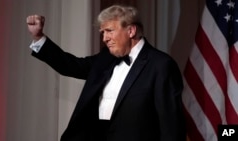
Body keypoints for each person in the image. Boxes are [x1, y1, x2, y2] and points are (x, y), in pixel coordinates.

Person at [26, 4, 186, 141]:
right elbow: (72, 65)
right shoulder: (105, 58)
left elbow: (171, 123)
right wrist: (39, 37)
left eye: (109, 31)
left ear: (131, 31)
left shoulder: (161, 64)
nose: (104, 38)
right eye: (103, 32)